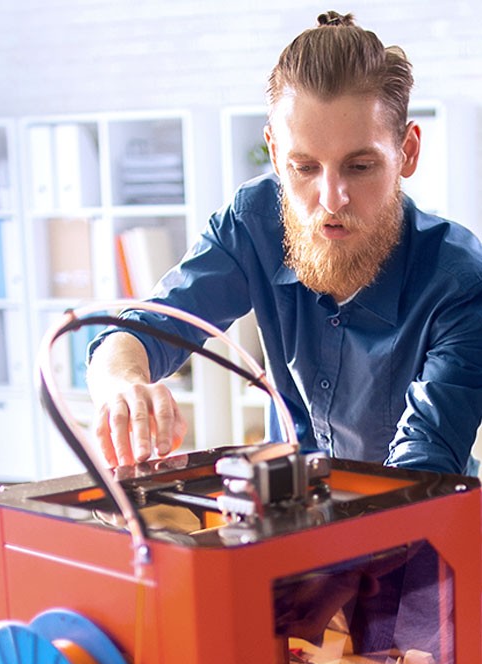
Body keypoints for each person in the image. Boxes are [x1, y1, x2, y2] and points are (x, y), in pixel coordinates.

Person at [87, 10, 482, 475]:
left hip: (405, 523)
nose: (332, 200)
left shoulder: (460, 283)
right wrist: (124, 383)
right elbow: (143, 330)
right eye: (305, 168)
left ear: (407, 152)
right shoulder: (253, 221)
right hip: (290, 512)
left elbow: (421, 471)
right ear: (275, 153)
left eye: (359, 166)